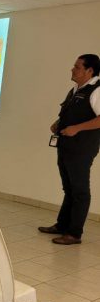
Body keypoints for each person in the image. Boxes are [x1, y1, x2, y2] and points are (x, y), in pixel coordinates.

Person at [40, 54, 100, 245]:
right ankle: (62, 225)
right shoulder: (76, 89)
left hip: (82, 148)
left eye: (77, 67)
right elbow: (70, 112)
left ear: (90, 71)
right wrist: (58, 123)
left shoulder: (97, 90)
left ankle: (74, 234)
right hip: (66, 146)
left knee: (80, 190)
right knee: (69, 188)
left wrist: (77, 128)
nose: (72, 70)